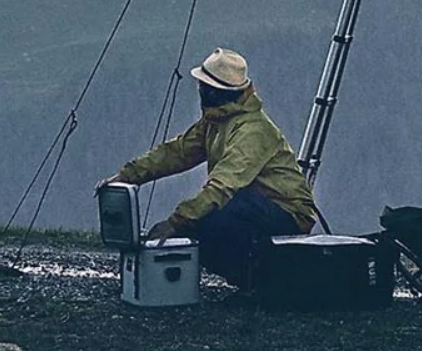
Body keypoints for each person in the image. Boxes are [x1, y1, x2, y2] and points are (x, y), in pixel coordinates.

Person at [100, 48, 319, 286]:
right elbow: (177, 153)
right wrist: (127, 176)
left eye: (206, 87)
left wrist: (176, 222)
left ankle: (260, 283)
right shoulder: (217, 120)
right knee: (198, 228)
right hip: (257, 207)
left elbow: (222, 187)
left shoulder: (252, 131)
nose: (201, 91)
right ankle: (252, 281)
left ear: (218, 92)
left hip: (287, 213)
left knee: (213, 219)